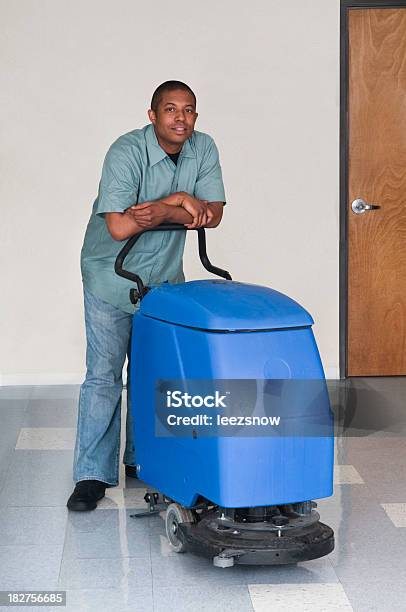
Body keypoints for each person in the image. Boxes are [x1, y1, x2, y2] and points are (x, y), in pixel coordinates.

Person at [67, 80, 226, 511]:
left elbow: (211, 216)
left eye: (189, 110)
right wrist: (179, 202)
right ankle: (91, 475)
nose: (181, 118)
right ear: (152, 115)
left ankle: (146, 461)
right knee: (104, 376)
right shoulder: (125, 153)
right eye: (171, 109)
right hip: (111, 277)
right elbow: (119, 227)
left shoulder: (204, 148)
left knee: (155, 375)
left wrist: (164, 208)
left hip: (164, 279)